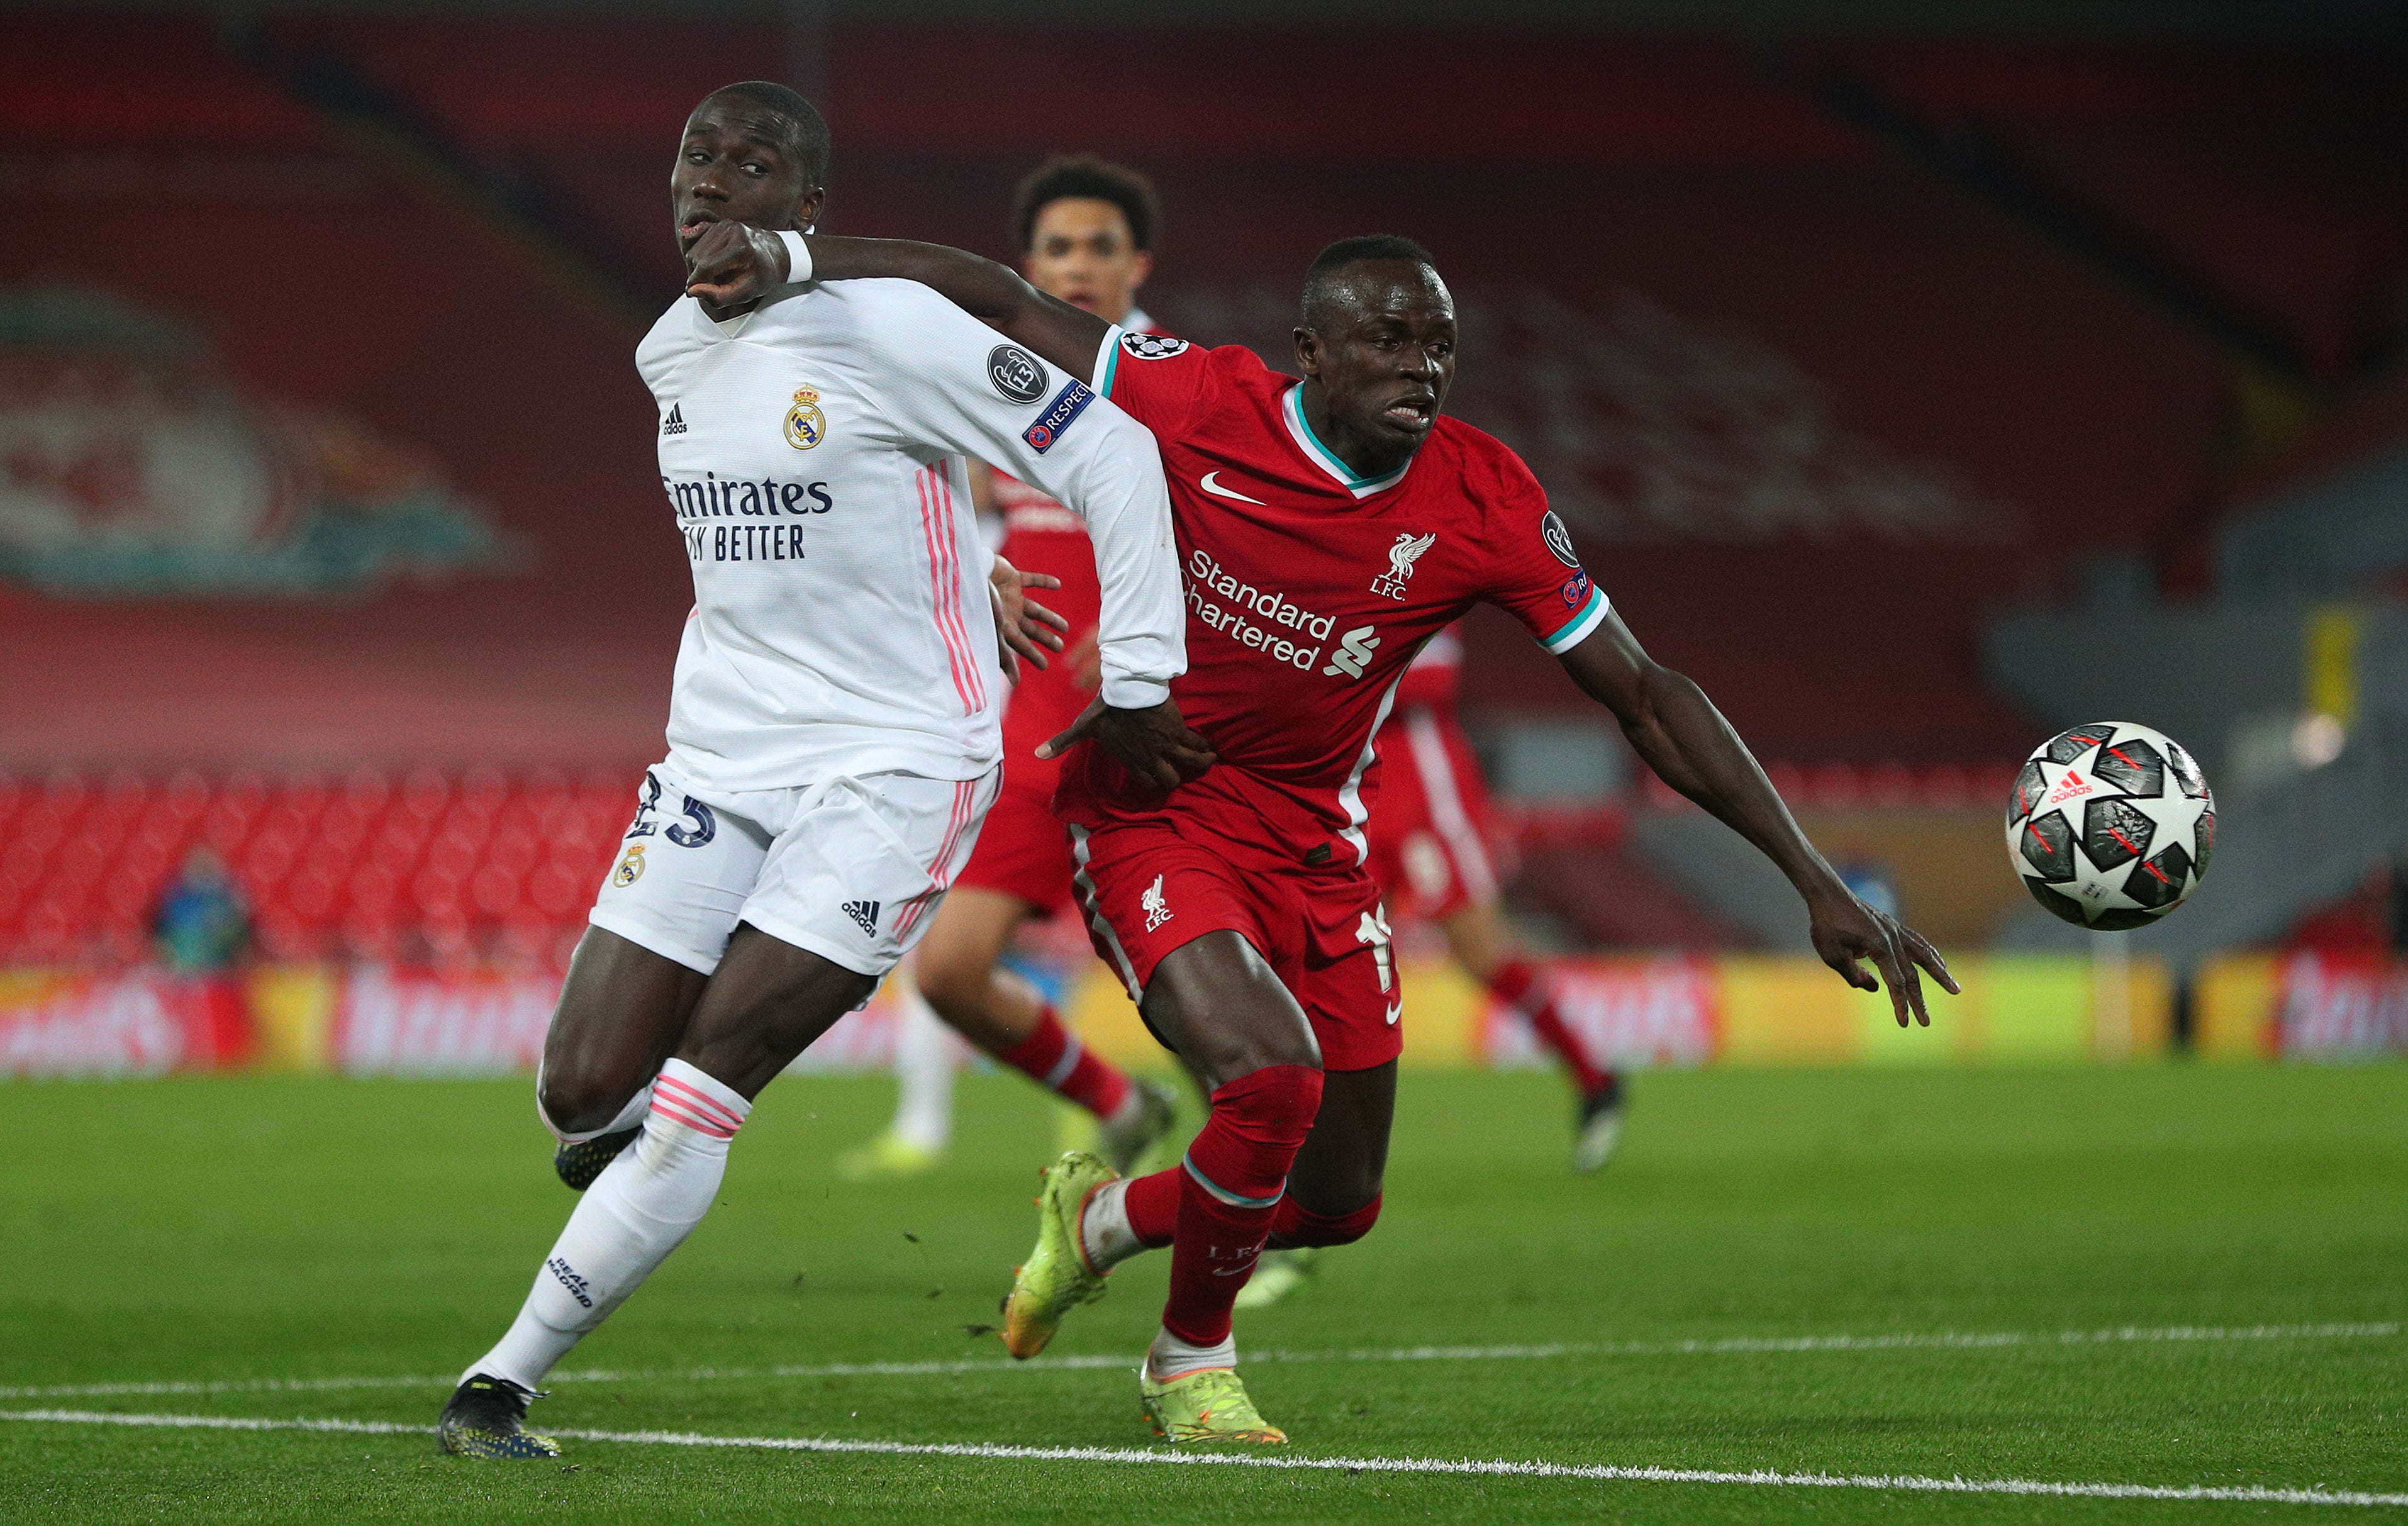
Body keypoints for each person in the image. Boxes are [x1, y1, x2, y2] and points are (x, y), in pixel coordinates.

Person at [703, 225, 1956, 1445]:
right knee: (1271, 1074)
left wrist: (1812, 877)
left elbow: (1644, 692)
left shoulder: (1487, 495)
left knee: (1335, 1203)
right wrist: (805, 260)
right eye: (1390, 340)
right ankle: (1190, 1364)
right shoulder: (1201, 400)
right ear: (1311, 350)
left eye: (1440, 345)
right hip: (1158, 811)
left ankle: (1100, 1226)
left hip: (1314, 840)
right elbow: (999, 299)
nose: (1421, 365)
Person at [430, 81, 1201, 1460]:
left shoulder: (887, 322)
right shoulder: (669, 350)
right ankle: (645, 1159)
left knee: (701, 1085)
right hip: (723, 751)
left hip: (900, 766)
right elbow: (859, 505)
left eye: (754, 162)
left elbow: (1115, 450)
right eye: (695, 156)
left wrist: (1137, 677)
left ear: (809, 208)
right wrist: (979, 572)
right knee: (578, 1085)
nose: (713, 179)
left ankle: (499, 1382)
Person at [837, 155, 1181, 1183]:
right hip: (1033, 732)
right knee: (944, 971)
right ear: (1026, 263)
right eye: (1057, 248)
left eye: (1099, 247)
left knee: (1199, 990)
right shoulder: (988, 374)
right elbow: (931, 513)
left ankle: (1270, 1208)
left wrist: (1148, 626)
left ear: (1138, 265)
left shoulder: (1175, 380)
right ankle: (1120, 1102)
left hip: (1157, 734)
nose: (1077, 266)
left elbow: (1237, 542)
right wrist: (977, 574)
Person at [1236, 625, 1629, 1311]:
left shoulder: (1408, 541)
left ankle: (1596, 1078)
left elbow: (1433, 677)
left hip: (1423, 782)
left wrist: (1323, 666)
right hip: (1340, 778)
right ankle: (1297, 1203)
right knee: (1315, 965)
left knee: (1481, 950)